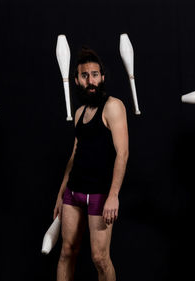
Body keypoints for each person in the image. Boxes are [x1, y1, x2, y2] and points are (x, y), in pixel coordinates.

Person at [54, 47, 129, 281]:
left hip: (99, 194)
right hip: (73, 192)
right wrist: (60, 194)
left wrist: (114, 195)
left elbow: (123, 153)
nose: (91, 80)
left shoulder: (113, 107)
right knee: (67, 252)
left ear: (103, 77)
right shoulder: (79, 112)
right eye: (85, 76)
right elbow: (75, 154)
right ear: (76, 80)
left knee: (100, 258)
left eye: (95, 74)